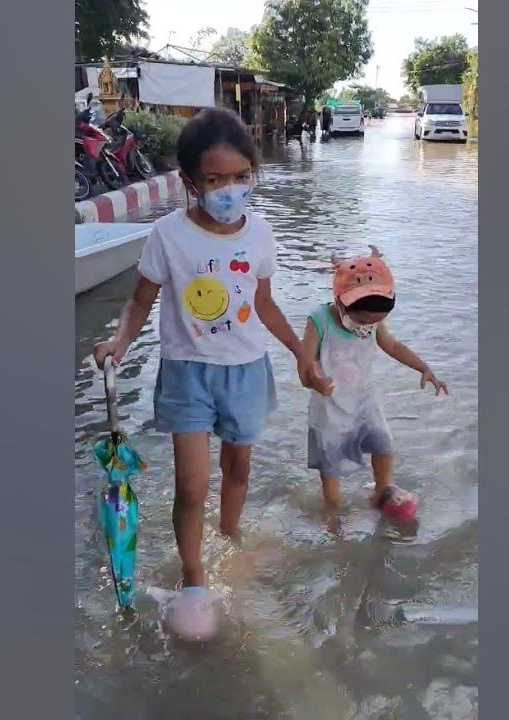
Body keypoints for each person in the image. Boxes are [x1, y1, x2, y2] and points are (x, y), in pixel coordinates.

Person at [93, 108, 331, 640]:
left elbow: (263, 303)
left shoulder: (262, 231)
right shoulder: (167, 235)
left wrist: (299, 351)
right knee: (192, 484)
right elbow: (139, 301)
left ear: (253, 173)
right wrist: (119, 341)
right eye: (215, 180)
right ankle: (194, 578)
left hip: (245, 370)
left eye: (241, 178)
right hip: (187, 374)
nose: (230, 190)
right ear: (190, 182)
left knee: (239, 470)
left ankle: (230, 537)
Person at [300, 245, 449, 526]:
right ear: (342, 302)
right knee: (331, 465)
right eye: (363, 320)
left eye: (376, 321)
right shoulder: (319, 320)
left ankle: (382, 490)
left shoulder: (373, 320)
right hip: (330, 405)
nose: (367, 326)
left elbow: (391, 345)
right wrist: (316, 380)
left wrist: (424, 368)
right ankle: (332, 510)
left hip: (365, 399)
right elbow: (305, 362)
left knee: (383, 444)